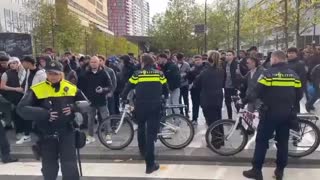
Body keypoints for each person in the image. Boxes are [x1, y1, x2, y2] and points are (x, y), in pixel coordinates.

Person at [16, 60, 88, 180]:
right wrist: (44, 114)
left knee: (69, 164)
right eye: (50, 73)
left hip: (67, 131)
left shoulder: (70, 87)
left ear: (61, 74)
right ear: (46, 74)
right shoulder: (36, 89)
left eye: (56, 74)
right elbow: (21, 109)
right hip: (46, 132)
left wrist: (74, 108)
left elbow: (87, 104)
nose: (53, 76)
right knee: (49, 166)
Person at [242, 50, 303, 180]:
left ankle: (256, 170)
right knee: (282, 143)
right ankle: (280, 171)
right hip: (286, 114)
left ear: (274, 59)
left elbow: (255, 92)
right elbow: (299, 95)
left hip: (269, 113)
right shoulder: (293, 75)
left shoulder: (268, 74)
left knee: (262, 141)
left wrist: (244, 101)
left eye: (271, 59)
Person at [121, 54, 168, 174]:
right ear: (152, 62)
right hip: (155, 106)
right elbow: (166, 89)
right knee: (151, 135)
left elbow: (128, 87)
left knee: (141, 128)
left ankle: (142, 150)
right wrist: (164, 97)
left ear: (143, 62)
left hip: (140, 106)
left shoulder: (137, 74)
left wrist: (123, 98)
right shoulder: (159, 74)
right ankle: (150, 164)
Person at [77, 56, 112, 144]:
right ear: (89, 63)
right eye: (92, 62)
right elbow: (81, 88)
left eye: (95, 62)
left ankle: (108, 135)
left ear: (99, 63)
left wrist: (103, 90)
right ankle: (90, 136)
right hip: (90, 100)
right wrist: (84, 98)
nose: (93, 64)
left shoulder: (104, 73)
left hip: (101, 100)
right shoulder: (85, 74)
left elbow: (110, 86)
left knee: (105, 117)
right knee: (90, 119)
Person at [194, 50, 224, 148]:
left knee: (211, 121)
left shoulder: (205, 71)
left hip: (207, 98)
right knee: (218, 119)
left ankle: (216, 142)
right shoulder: (221, 70)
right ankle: (221, 140)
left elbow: (196, 83)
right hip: (218, 97)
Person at [0, 57, 26, 142]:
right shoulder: (6, 74)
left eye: (14, 63)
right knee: (16, 113)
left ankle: (25, 130)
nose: (12, 65)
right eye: (11, 63)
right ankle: (19, 131)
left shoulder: (24, 72)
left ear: (18, 63)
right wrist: (15, 89)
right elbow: (2, 86)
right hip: (12, 97)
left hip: (24, 96)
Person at [187, 55, 207, 125]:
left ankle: (207, 118)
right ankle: (195, 119)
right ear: (194, 61)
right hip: (194, 90)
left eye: (199, 60)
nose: (197, 61)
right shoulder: (192, 69)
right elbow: (189, 79)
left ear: (201, 60)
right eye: (196, 60)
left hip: (203, 89)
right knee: (195, 105)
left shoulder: (205, 68)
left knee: (204, 105)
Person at [286, 47, 307, 112]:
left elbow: (302, 79)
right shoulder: (285, 63)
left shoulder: (300, 64)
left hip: (295, 90)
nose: (290, 54)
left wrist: (300, 91)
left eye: (292, 53)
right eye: (289, 53)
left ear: (296, 54)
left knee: (295, 111)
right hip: (285, 91)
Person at [223, 50, 239, 119]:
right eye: (227, 55)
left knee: (237, 104)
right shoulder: (224, 64)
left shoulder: (236, 64)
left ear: (233, 56)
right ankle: (230, 118)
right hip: (226, 86)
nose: (228, 56)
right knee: (227, 103)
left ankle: (240, 119)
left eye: (230, 55)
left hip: (234, 86)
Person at [177, 53, 190, 117]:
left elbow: (189, 73)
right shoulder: (175, 64)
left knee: (186, 99)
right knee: (179, 99)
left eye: (181, 59)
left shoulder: (186, 64)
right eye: (179, 59)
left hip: (185, 84)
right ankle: (181, 112)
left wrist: (184, 75)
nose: (180, 60)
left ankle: (187, 112)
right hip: (178, 85)